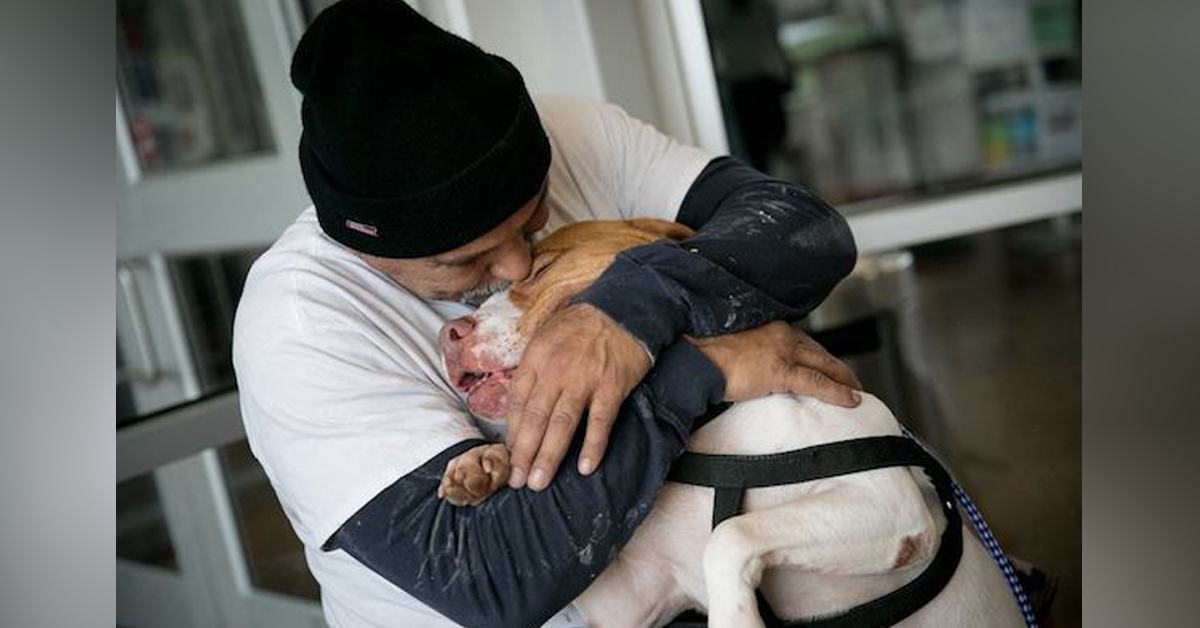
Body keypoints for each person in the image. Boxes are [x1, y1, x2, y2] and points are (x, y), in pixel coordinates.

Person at [232, 0, 859, 626]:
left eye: (534, 224)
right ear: (365, 246)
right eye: (466, 260)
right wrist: (698, 367)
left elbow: (807, 231)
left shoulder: (571, 135)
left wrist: (629, 311)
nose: (513, 267)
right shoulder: (299, 322)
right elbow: (488, 576)